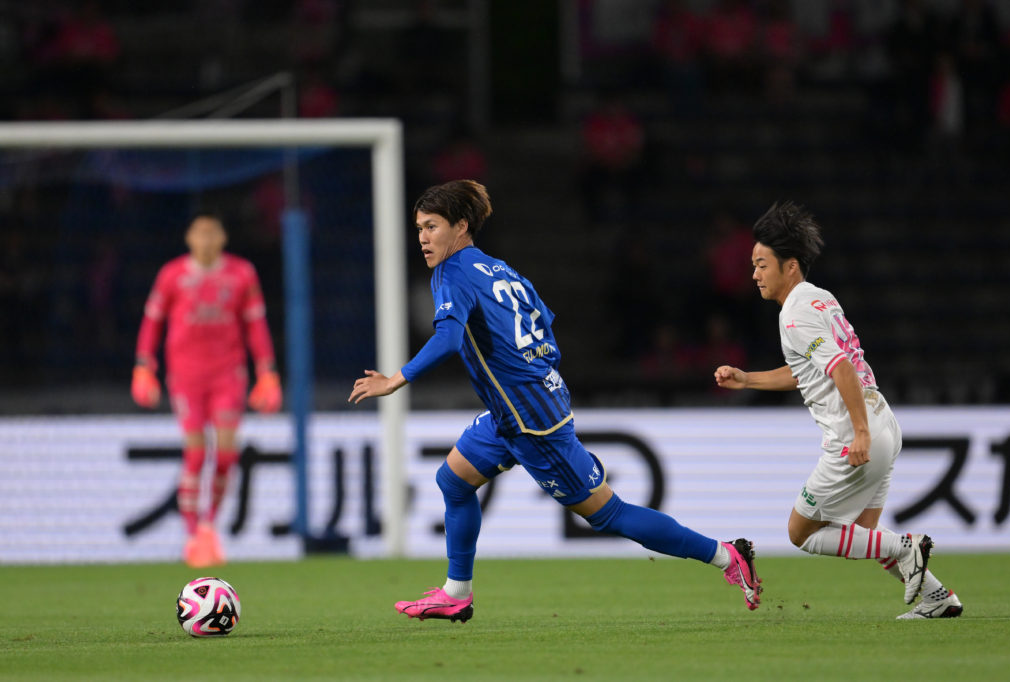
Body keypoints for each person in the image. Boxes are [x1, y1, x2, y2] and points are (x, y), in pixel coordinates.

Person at [349, 180, 762, 622]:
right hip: (516, 407)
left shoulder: (451, 273)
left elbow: (448, 339)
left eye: (432, 226)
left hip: (531, 418)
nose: (423, 238)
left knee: (609, 514)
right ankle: (457, 593)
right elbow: (544, 324)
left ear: (461, 226)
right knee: (453, 480)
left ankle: (727, 556)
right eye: (419, 228)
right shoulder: (502, 271)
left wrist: (395, 380)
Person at [713, 201, 963, 620]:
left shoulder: (794, 315)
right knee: (863, 535)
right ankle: (939, 598)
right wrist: (748, 378)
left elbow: (841, 367)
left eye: (761, 265)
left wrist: (859, 433)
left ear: (790, 266)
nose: (754, 274)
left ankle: (909, 548)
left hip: (855, 430)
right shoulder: (819, 299)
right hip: (885, 422)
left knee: (801, 532)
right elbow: (808, 372)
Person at [131, 213, 282, 568]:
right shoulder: (172, 275)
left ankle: (208, 527)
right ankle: (192, 535)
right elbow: (152, 322)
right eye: (200, 233)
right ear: (189, 238)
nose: (206, 239)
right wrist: (143, 366)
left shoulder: (241, 273)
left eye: (212, 233)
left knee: (226, 456)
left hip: (228, 375)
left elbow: (256, 324)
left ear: (223, 237)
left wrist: (267, 372)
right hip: (186, 376)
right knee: (197, 454)